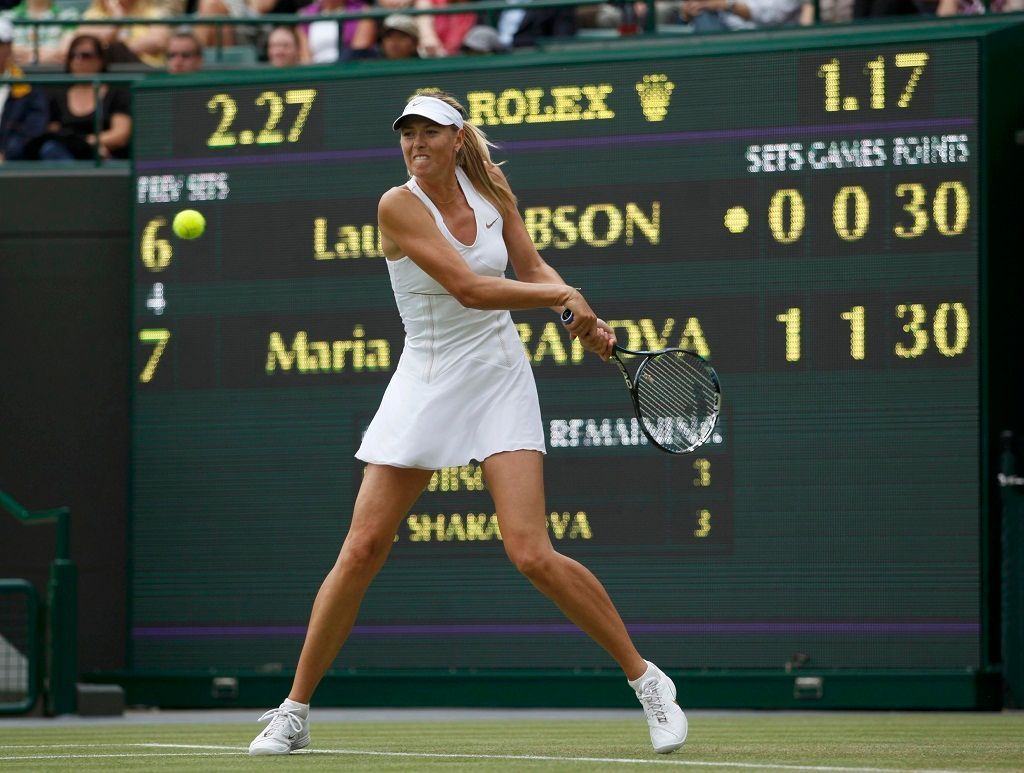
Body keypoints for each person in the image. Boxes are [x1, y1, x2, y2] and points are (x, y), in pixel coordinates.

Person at [246, 92, 688, 758]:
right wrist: (563, 298)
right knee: (363, 547)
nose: (415, 142)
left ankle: (648, 678)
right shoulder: (396, 205)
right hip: (425, 378)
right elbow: (472, 289)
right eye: (407, 133)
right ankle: (294, 710)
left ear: (458, 138)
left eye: (430, 131)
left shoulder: (491, 188)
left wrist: (584, 323)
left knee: (530, 551)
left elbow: (532, 267)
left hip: (498, 375)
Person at [25, 33, 131, 159]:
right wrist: (81, 144)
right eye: (72, 56)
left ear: (100, 60)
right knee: (50, 149)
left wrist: (90, 144)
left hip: (106, 157)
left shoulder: (116, 92)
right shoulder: (57, 94)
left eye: (85, 56)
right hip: (67, 155)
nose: (77, 60)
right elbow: (53, 130)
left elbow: (120, 135)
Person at [0, 16, 48, 162]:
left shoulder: (29, 89)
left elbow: (33, 127)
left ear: (9, 47)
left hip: (12, 167)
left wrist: (6, 153)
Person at [81, 0, 171, 67]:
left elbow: (158, 42)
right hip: (104, 73)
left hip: (144, 69)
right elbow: (85, 44)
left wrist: (119, 49)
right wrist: (117, 20)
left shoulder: (152, 12)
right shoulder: (93, 14)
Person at [2, 0, 80, 65]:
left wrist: (27, 55)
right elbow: (4, 51)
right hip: (13, 76)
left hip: (55, 75)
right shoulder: (5, 16)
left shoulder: (69, 15)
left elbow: (64, 52)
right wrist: (39, 55)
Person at [297, 0, 375, 63]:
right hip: (316, 75)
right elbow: (305, 57)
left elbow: (357, 51)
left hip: (347, 73)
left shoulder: (363, 11)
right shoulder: (304, 14)